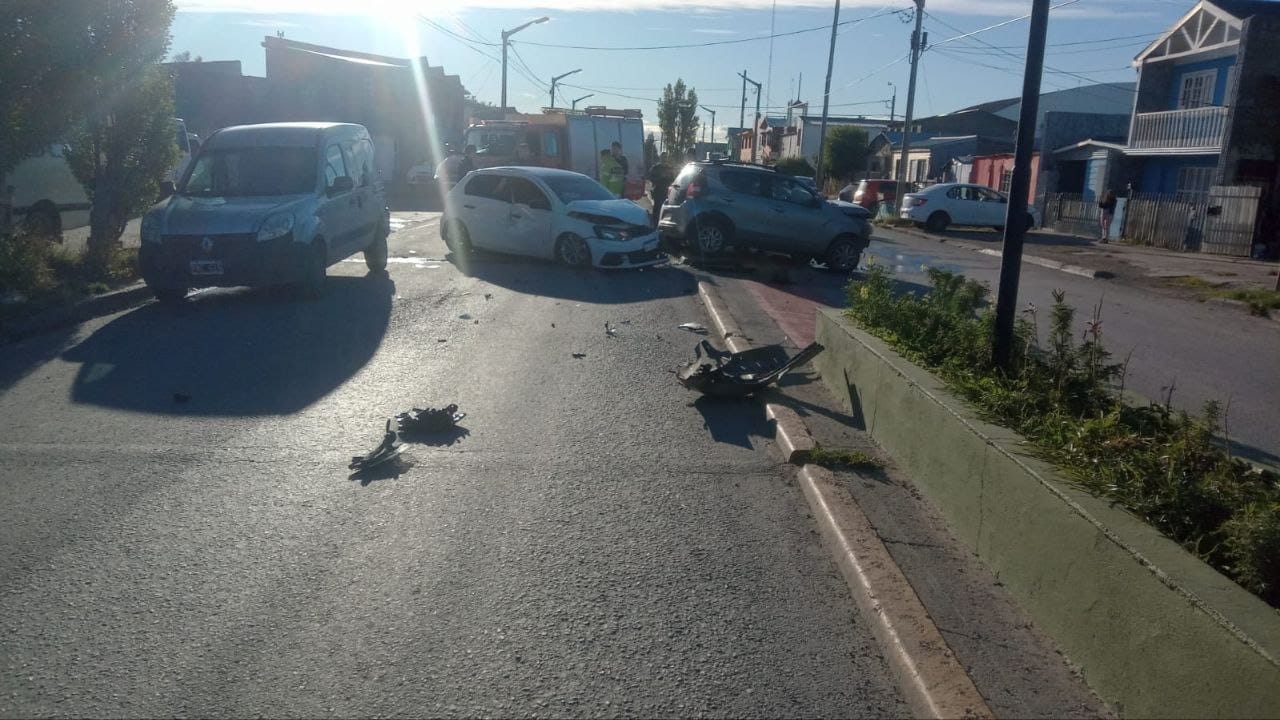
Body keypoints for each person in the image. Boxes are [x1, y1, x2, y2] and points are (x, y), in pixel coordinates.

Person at [647, 160, 674, 227]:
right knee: (657, 208)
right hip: (659, 190)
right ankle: (656, 224)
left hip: (664, 191)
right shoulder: (657, 167)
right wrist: (660, 178)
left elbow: (672, 179)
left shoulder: (668, 168)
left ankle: (660, 224)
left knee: (662, 208)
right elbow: (651, 177)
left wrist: (666, 178)